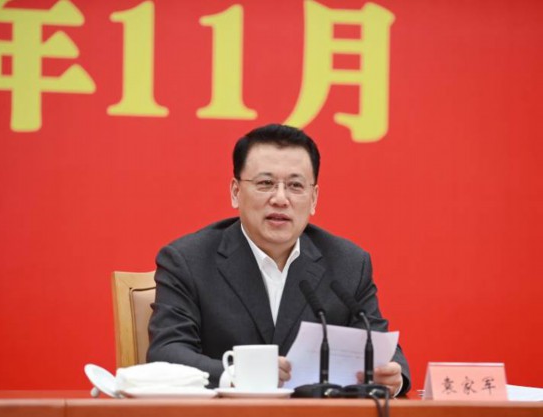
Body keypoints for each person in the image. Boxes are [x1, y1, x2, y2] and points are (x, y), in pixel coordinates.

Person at [147, 124, 411, 396]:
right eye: (265, 184)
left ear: (313, 198)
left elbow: (379, 345)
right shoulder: (188, 260)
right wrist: (238, 374)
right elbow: (167, 352)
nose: (281, 199)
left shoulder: (348, 264)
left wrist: (393, 377)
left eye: (295, 186)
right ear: (236, 192)